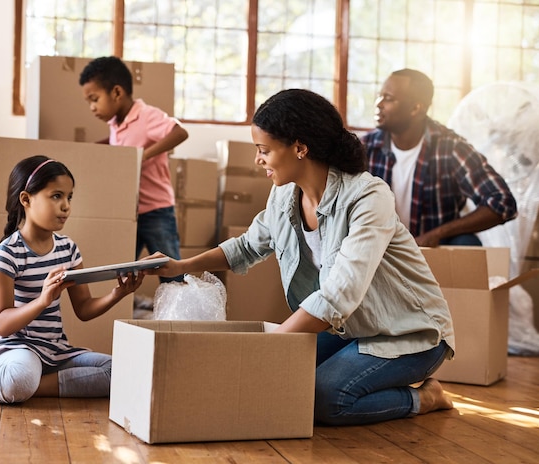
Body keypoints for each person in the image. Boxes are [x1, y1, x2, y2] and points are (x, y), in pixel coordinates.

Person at [144, 88, 456, 426]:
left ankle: (425, 397)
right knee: (280, 378)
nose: (257, 160)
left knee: (324, 398)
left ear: (299, 147)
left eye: (264, 150)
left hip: (407, 332)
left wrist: (268, 345)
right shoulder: (283, 194)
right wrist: (182, 266)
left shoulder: (368, 197)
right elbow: (248, 246)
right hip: (350, 329)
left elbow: (338, 296)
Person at [0, 156, 143, 403]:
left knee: (120, 371)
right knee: (21, 375)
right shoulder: (7, 253)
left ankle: (14, 384)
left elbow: (84, 309)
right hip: (12, 346)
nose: (66, 206)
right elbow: (2, 325)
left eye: (69, 197)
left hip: (52, 349)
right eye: (56, 196)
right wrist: (42, 300)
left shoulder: (68, 249)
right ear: (26, 199)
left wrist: (119, 292)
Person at [362, 68, 517, 247]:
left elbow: (503, 202)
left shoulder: (450, 148)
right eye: (380, 96)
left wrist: (438, 234)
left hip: (434, 251)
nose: (379, 103)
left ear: (416, 108)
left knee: (467, 242)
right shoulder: (366, 148)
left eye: (388, 98)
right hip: (380, 251)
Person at [79, 56, 188, 283]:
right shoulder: (115, 123)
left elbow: (179, 133)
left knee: (171, 273)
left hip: (157, 210)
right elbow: (121, 146)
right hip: (129, 212)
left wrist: (141, 156)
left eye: (94, 99)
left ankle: (179, 317)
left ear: (117, 92)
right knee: (122, 273)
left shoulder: (146, 116)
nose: (91, 108)